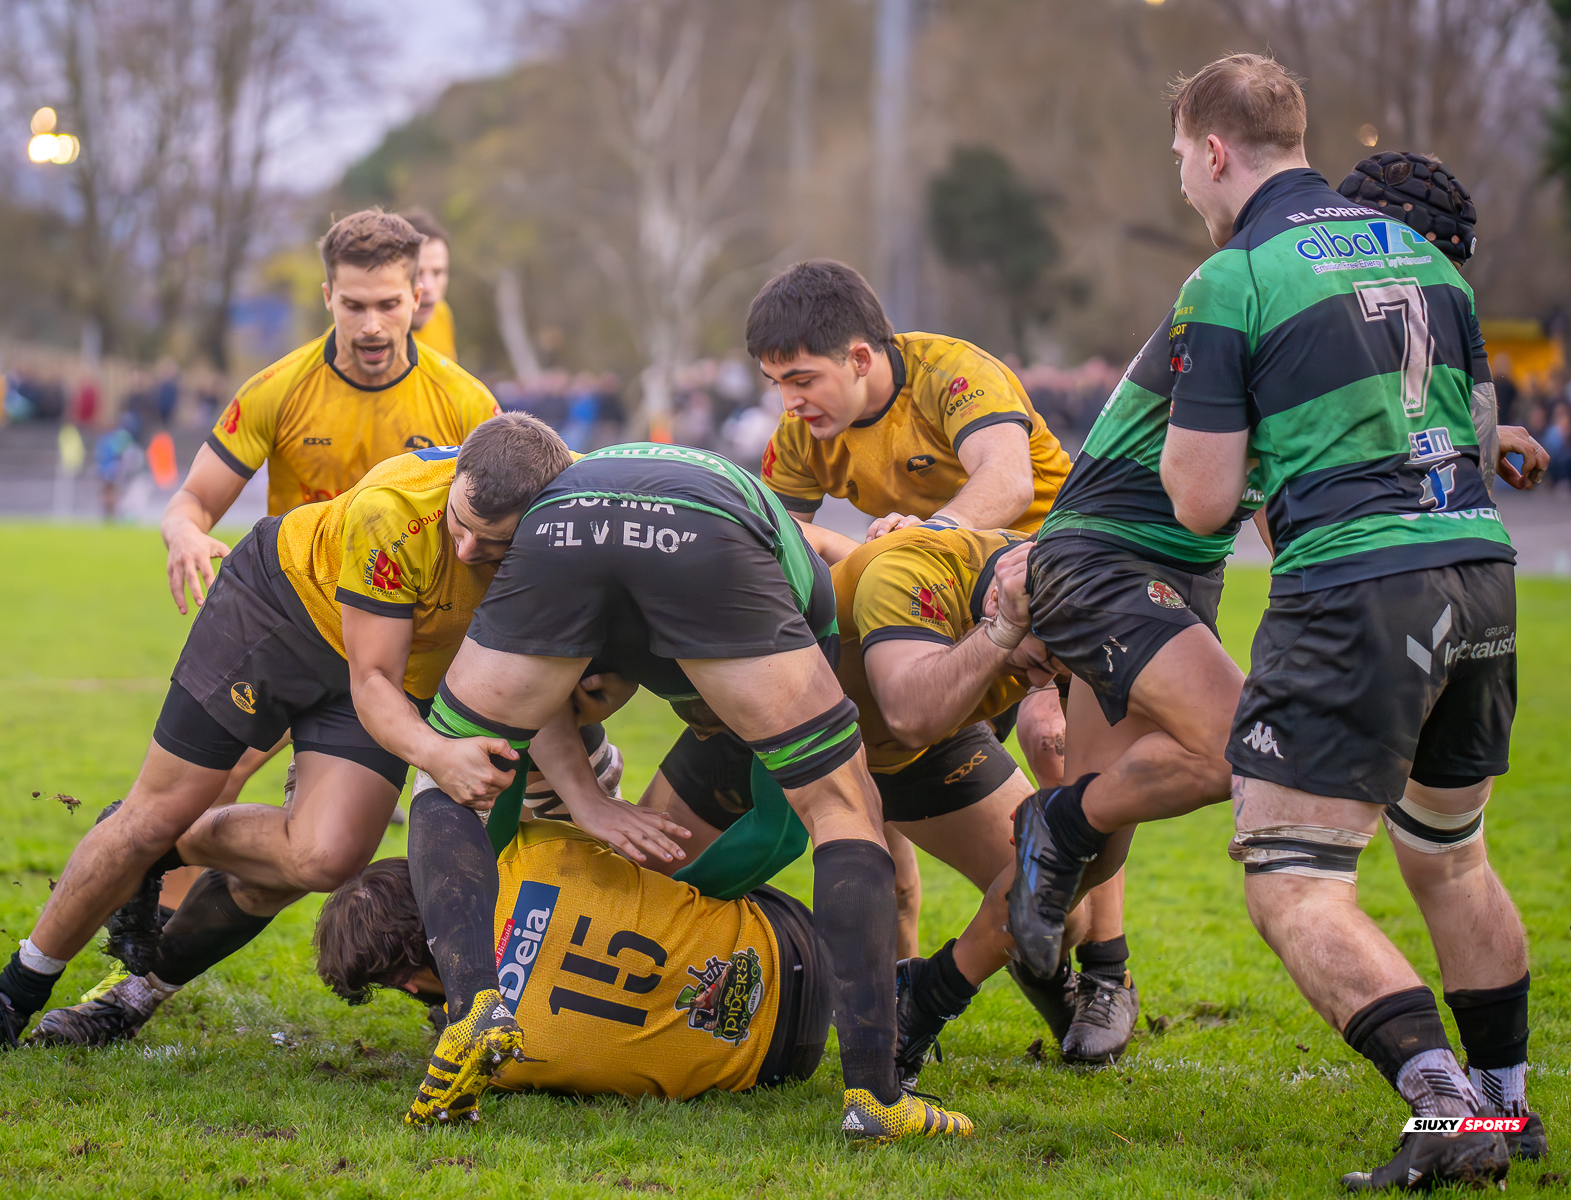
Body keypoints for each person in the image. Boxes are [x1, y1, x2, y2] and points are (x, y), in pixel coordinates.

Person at [1082, 53, 1542, 1190]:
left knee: (1293, 877)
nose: (1184, 180)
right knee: (1449, 853)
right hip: (1480, 572)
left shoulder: (1232, 277)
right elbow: (1476, 436)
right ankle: (1509, 1106)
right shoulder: (1424, 255)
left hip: (1354, 590)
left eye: (1182, 158)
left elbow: (1195, 499)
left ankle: (1447, 1109)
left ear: (1215, 149)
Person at [0, 416, 660, 1054]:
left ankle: (162, 850)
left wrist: (586, 798)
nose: (466, 551)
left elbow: (539, 684)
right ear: (455, 478)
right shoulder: (394, 509)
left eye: (491, 542)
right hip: (277, 615)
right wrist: (436, 753)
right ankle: (11, 997)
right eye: (459, 525)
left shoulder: (558, 550)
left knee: (326, 856)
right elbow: (372, 683)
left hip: (392, 665)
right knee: (156, 811)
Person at [396, 441, 976, 1143]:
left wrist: (546, 899)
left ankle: (473, 1006)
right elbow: (788, 830)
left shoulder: (578, 537)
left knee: (445, 771)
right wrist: (646, 879)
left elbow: (495, 753)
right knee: (840, 807)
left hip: (571, 526)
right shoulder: (756, 614)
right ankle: (877, 1100)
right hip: (707, 533)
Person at [744, 259, 1135, 1056]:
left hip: (1053, 586)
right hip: (933, 612)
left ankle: (1106, 974)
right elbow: (774, 554)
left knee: (1059, 751)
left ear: (860, 357)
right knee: (912, 810)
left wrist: (930, 534)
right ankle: (929, 988)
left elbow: (1006, 479)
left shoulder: (951, 373)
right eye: (774, 382)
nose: (787, 401)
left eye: (801, 378)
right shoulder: (801, 436)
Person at [154, 209, 498, 903]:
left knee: (318, 851)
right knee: (205, 787)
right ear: (326, 299)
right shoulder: (279, 388)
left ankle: (458, 976)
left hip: (402, 640)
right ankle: (140, 947)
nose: (372, 325)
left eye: (389, 304)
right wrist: (186, 533)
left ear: (417, 302)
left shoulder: (465, 401)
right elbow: (191, 501)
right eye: (354, 305)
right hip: (296, 620)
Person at [314, 820, 831, 1102]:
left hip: (780, 1064)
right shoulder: (534, 851)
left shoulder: (498, 1068)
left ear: (405, 983)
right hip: (791, 939)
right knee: (643, 847)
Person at [403, 209, 456, 363]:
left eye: (438, 272)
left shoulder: (441, 314)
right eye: (416, 273)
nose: (428, 286)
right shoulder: (354, 344)